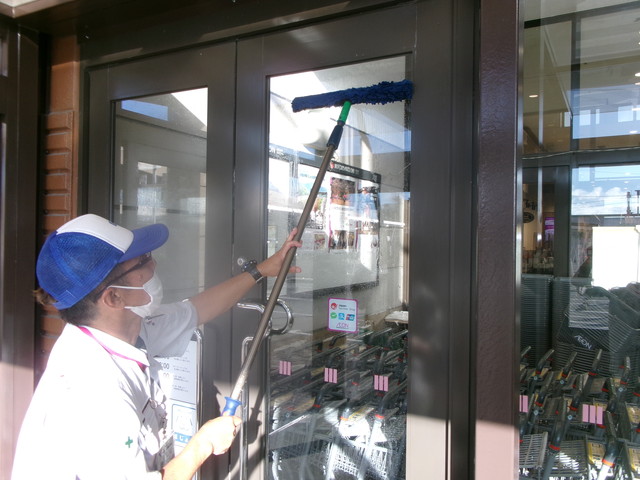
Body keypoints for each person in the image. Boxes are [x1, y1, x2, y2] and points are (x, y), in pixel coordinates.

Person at [11, 214, 301, 480]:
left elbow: (198, 309)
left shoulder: (127, 329)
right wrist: (204, 443)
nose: (154, 265)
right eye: (142, 261)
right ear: (113, 298)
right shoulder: (93, 392)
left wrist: (263, 270)